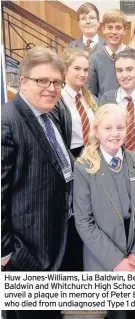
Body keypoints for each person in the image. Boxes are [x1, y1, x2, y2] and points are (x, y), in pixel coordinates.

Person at [1, 47, 73, 319]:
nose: (51, 88)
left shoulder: (52, 113)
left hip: (54, 241)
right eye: (42, 80)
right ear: (23, 82)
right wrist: (5, 252)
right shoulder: (6, 122)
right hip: (24, 253)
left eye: (56, 82)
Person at [73, 103, 135, 319]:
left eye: (120, 127)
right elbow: (84, 222)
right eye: (108, 128)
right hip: (106, 253)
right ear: (96, 130)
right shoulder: (84, 167)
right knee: (118, 313)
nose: (114, 133)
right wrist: (117, 263)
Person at [49, 48, 98, 158]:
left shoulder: (93, 99)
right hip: (71, 156)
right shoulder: (56, 100)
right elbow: (56, 141)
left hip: (94, 155)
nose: (82, 74)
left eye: (86, 70)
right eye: (77, 68)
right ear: (65, 70)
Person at [88, 9, 129, 99]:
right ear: (103, 29)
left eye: (118, 27)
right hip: (104, 109)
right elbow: (91, 93)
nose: (114, 32)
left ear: (125, 30)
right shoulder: (95, 59)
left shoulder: (133, 56)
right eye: (110, 27)